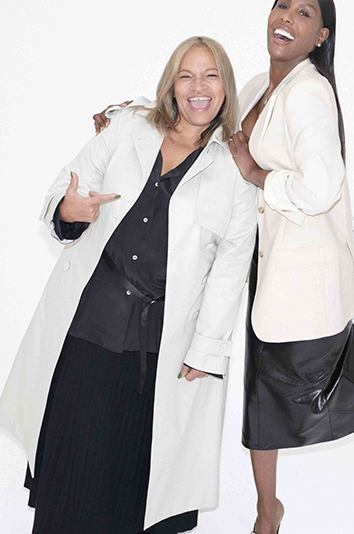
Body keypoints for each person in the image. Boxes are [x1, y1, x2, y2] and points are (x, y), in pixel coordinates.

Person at [92, 0, 354, 534]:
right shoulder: (258, 86)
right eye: (282, 6)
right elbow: (208, 126)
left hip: (304, 277)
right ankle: (267, 510)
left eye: (304, 13)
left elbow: (321, 187)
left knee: (313, 395)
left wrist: (256, 175)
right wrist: (134, 116)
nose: (287, 18)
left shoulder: (309, 94)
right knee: (261, 397)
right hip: (262, 270)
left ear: (320, 36)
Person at [0, 36, 257, 534]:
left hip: (158, 355)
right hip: (85, 333)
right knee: (69, 483)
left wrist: (205, 349)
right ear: (171, 85)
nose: (198, 87)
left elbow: (230, 272)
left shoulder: (234, 174)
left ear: (225, 87)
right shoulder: (127, 128)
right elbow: (65, 187)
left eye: (210, 76)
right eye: (186, 75)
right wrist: (69, 209)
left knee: (130, 496)